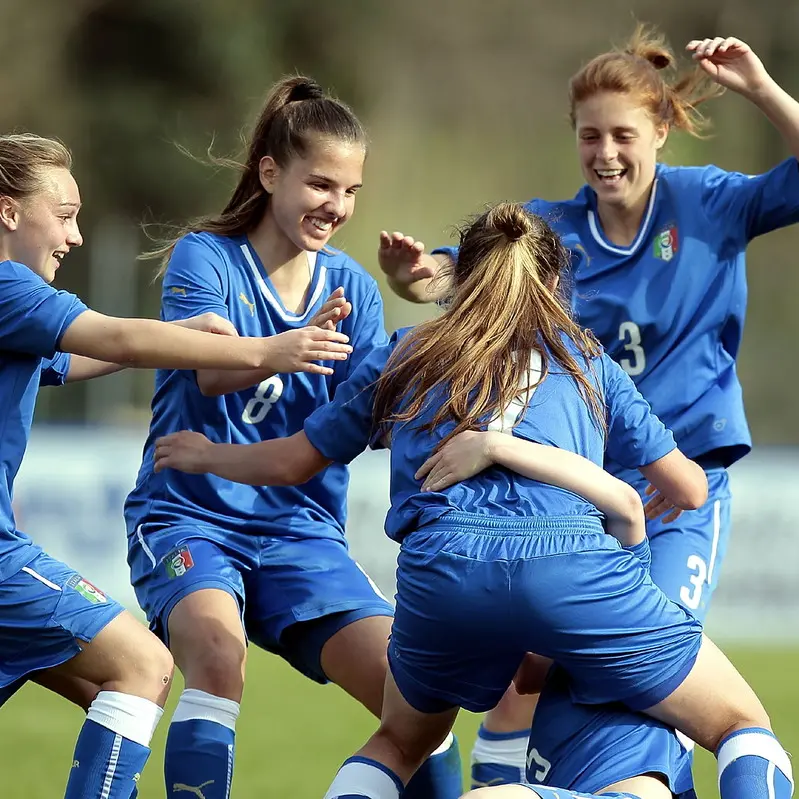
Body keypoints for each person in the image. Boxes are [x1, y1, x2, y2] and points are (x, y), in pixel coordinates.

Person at [151, 203, 792, 799]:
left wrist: (209, 456)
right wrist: (617, 506)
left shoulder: (408, 351)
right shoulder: (586, 359)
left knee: (402, 741)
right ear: (553, 281)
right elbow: (689, 487)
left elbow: (294, 458)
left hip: (444, 577)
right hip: (574, 568)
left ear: (459, 275)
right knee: (741, 724)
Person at [377, 28, 799, 785]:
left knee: (641, 672)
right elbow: (459, 280)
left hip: (677, 488)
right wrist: (412, 278)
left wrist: (762, 90)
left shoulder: (708, 202)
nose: (605, 152)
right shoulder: (556, 228)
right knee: (535, 675)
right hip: (572, 488)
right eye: (589, 135)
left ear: (662, 131)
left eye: (622, 135)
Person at [123, 75, 462, 799]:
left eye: (350, 191)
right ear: (272, 173)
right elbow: (206, 373)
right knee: (217, 655)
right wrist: (280, 347)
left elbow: (360, 422)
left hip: (301, 533)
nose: (335, 206)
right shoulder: (204, 256)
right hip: (190, 516)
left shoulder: (355, 289)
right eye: (320, 184)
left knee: (419, 704)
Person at [0, 132, 353, 799]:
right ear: (9, 211)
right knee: (143, 663)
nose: (74, 236)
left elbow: (80, 359)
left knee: (106, 686)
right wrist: (260, 351)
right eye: (66, 214)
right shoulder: (8, 287)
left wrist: (189, 338)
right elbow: (116, 336)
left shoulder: (16, 314)